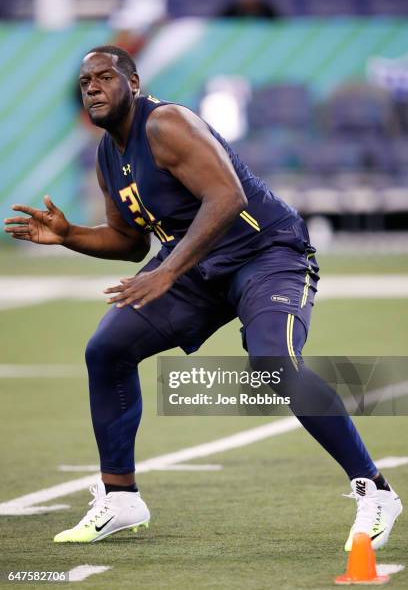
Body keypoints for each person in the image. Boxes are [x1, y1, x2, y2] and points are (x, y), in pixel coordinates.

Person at [4, 45, 402, 547]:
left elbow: (228, 197)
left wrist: (167, 272)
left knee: (273, 362)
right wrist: (70, 235)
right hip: (198, 267)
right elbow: (129, 245)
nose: (92, 88)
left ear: (133, 82)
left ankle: (376, 491)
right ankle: (121, 496)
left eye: (104, 77)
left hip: (266, 252)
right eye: (85, 82)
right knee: (106, 350)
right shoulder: (109, 153)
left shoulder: (166, 123)